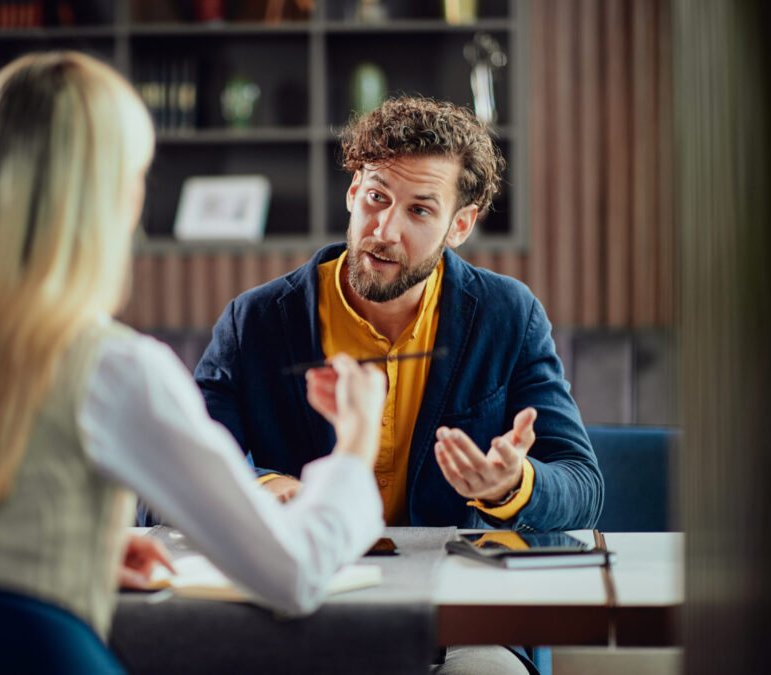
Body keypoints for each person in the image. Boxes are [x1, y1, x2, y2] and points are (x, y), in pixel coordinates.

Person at [0, 51, 388, 643]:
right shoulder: (114, 370)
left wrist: (71, 556)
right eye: (136, 174)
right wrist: (355, 445)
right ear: (108, 198)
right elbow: (294, 573)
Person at [193, 96, 604, 673]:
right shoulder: (256, 321)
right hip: (302, 610)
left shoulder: (508, 314)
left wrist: (512, 484)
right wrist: (269, 489)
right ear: (352, 191)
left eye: (419, 211)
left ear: (459, 225)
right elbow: (170, 480)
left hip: (460, 619)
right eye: (376, 198)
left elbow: (583, 485)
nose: (383, 231)